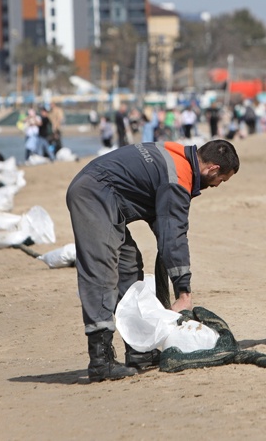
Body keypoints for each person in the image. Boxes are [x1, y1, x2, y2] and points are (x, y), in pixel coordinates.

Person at [66, 139, 240, 382]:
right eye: (222, 180)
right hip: (93, 195)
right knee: (101, 271)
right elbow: (173, 236)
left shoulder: (176, 157)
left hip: (105, 195)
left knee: (128, 265)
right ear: (213, 169)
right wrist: (184, 294)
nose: (218, 185)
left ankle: (138, 350)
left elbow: (165, 229)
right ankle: (100, 360)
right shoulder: (178, 176)